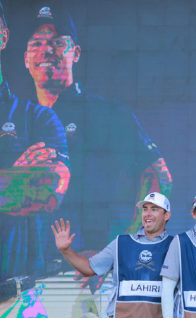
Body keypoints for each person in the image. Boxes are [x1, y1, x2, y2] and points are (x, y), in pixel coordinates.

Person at [23, 3, 171, 248]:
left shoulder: (106, 113)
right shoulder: (17, 119)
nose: (47, 50)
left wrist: (127, 244)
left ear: (76, 53)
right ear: (26, 59)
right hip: (24, 273)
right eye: (36, 44)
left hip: (86, 272)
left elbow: (159, 176)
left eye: (58, 42)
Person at [0, 0, 69, 318]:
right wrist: (12, 178)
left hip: (21, 301)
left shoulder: (36, 117)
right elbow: (24, 189)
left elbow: (47, 190)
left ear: (2, 35)